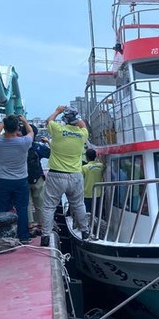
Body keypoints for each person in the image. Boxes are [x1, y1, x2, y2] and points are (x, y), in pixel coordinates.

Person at [41, 105, 89, 247]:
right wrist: (75, 115)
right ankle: (85, 230)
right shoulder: (82, 134)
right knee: (79, 205)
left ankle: (45, 236)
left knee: (49, 207)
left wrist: (57, 111)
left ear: (65, 120)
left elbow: (49, 121)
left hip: (57, 175)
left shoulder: (58, 130)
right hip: (75, 175)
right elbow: (83, 125)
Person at [0, 114, 34, 243]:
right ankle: (24, 236)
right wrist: (25, 121)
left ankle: (4, 236)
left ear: (5, 127)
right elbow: (31, 131)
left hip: (3, 180)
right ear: (17, 128)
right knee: (22, 208)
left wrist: (3, 122)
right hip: (21, 180)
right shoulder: (24, 142)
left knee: (2, 209)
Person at [24, 124, 51, 234]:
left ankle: (30, 225)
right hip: (38, 177)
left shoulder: (19, 145)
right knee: (40, 202)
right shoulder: (38, 147)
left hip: (23, 177)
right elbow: (50, 154)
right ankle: (42, 225)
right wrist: (47, 143)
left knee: (26, 203)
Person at [82, 148, 105, 214]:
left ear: (86, 157)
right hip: (98, 194)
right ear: (95, 156)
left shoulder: (84, 168)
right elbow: (104, 165)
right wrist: (99, 157)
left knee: (87, 214)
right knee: (97, 214)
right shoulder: (101, 166)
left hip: (87, 195)